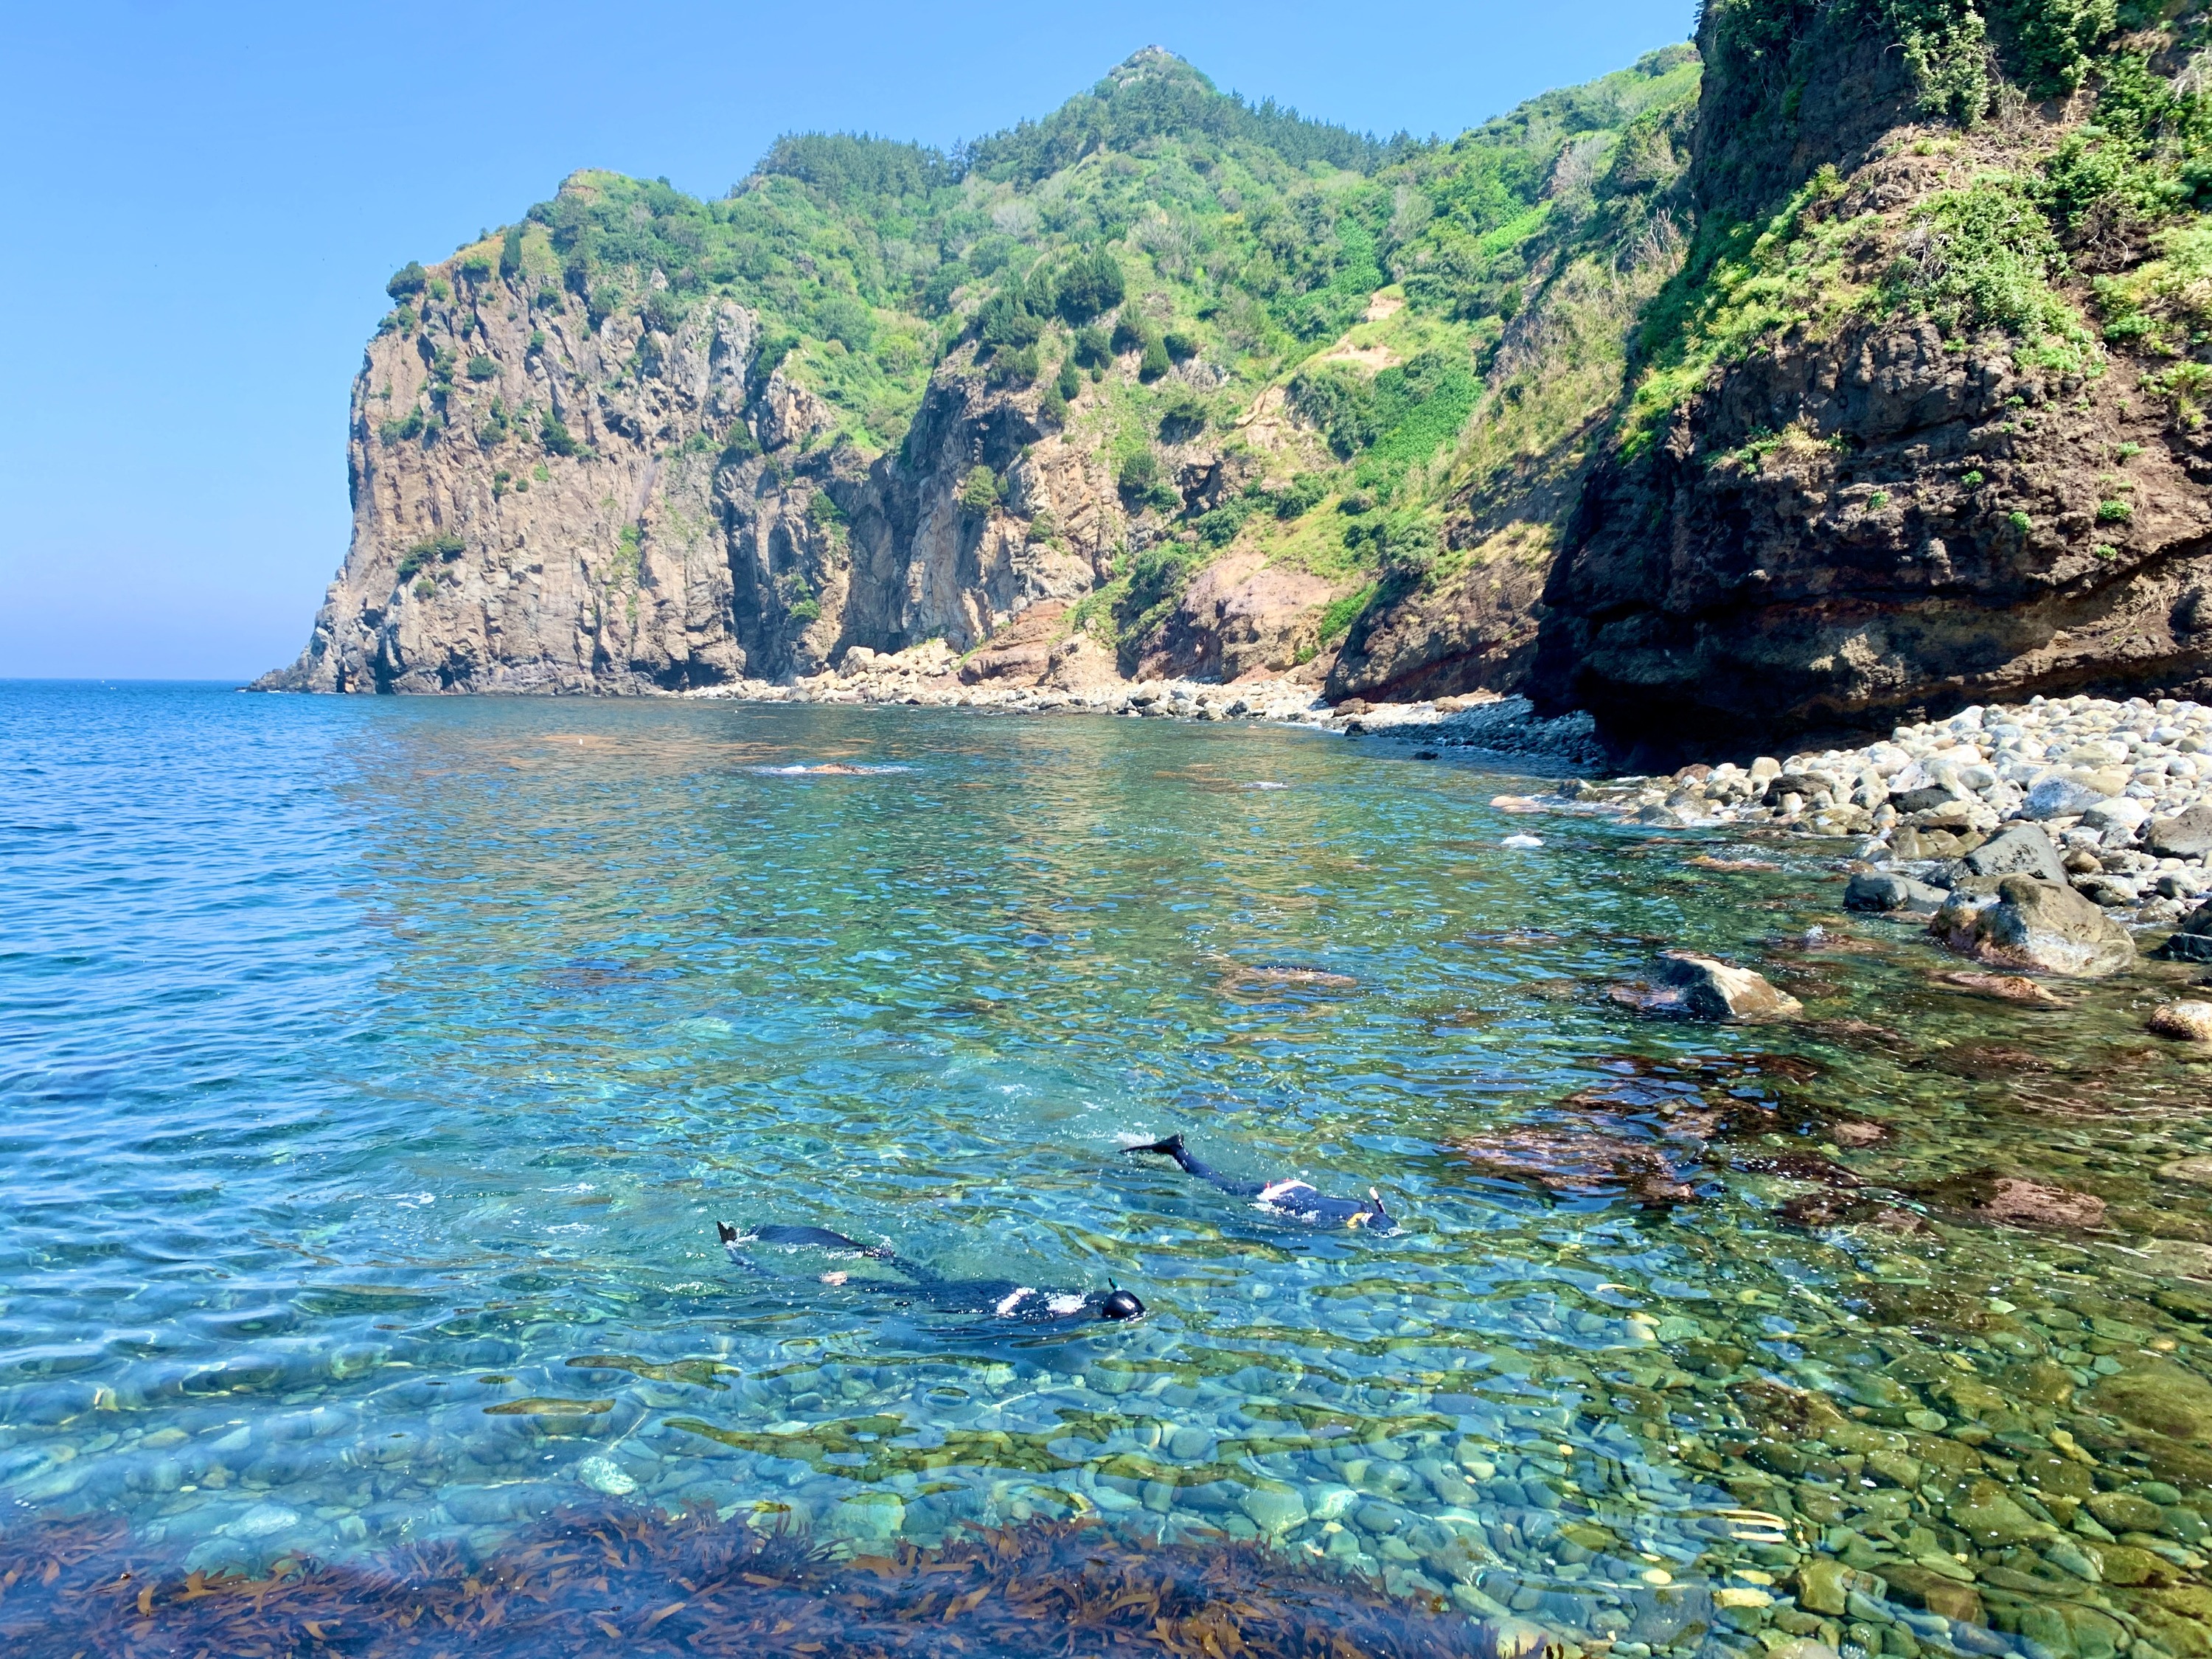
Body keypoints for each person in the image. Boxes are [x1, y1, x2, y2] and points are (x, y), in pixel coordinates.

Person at [715, 1222, 1144, 1325]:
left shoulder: (1086, 1296)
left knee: (925, 1281)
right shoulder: (1076, 1319)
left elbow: (1110, 1287)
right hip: (983, 1303)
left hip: (1001, 1289)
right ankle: (845, 1277)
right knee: (900, 1293)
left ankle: (882, 1254)